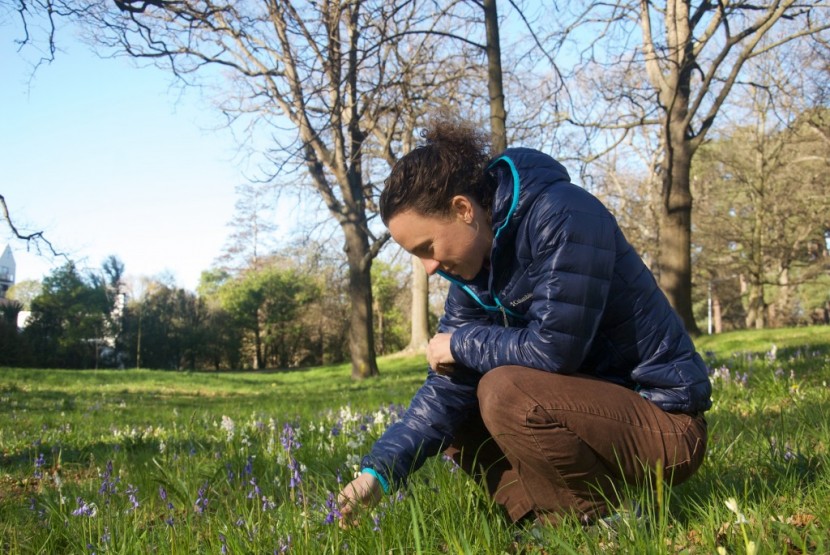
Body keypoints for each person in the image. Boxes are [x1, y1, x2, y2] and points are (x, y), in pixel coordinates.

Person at [337, 117, 711, 529]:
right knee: (456, 413)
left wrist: (461, 342)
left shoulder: (564, 214)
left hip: (663, 424)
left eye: (428, 247)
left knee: (503, 390)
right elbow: (445, 390)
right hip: (585, 413)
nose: (429, 267)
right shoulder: (472, 275)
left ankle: (603, 519)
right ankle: (548, 523)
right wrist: (378, 474)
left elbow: (555, 350)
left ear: (463, 209)